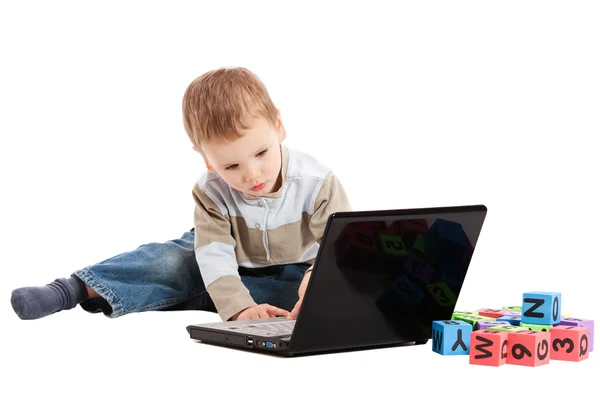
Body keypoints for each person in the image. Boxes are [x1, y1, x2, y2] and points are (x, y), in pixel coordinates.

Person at [10, 67, 351, 322]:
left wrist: (316, 280)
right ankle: (74, 289)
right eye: (231, 166)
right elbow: (214, 255)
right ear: (207, 160)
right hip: (219, 255)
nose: (251, 174)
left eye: (261, 153)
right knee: (173, 262)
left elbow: (339, 247)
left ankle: (207, 295)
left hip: (294, 268)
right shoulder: (209, 191)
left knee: (312, 293)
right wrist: (240, 308)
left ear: (278, 127)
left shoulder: (317, 181)